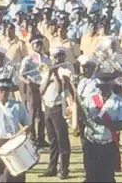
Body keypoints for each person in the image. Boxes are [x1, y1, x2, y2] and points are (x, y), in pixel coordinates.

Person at [0, 77, 31, 182]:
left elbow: (27, 124)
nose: (4, 92)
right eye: (1, 90)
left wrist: (24, 133)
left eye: (6, 90)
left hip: (13, 142)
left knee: (13, 174)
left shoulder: (17, 106)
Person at [82, 74, 122, 182]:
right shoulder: (90, 98)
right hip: (91, 143)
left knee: (107, 177)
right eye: (100, 87)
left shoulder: (119, 101)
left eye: (105, 87)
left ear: (111, 86)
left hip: (108, 145)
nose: (102, 90)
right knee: (90, 176)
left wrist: (105, 123)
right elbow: (82, 115)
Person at [39, 46, 74, 179]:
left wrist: (56, 76)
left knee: (62, 139)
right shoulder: (46, 71)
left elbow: (60, 90)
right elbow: (41, 90)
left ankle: (64, 169)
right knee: (52, 140)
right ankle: (52, 167)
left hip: (59, 107)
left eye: (60, 56)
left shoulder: (66, 71)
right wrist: (49, 75)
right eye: (55, 57)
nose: (58, 59)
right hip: (47, 107)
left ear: (64, 57)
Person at [19, 36, 49, 148]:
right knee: (31, 113)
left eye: (40, 44)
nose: (38, 47)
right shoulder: (27, 59)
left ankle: (41, 138)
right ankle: (32, 137)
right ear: (32, 46)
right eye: (36, 45)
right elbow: (21, 74)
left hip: (44, 87)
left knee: (43, 113)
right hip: (32, 87)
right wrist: (27, 82)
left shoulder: (46, 59)